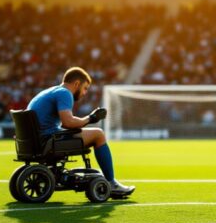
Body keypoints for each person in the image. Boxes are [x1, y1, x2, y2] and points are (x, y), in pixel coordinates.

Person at [26, 67, 135, 195]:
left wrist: (84, 121)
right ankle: (111, 183)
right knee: (98, 134)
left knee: (89, 131)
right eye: (85, 88)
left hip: (36, 141)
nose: (84, 93)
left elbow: (65, 124)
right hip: (48, 141)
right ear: (77, 83)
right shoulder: (65, 93)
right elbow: (68, 122)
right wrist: (91, 118)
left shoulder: (48, 91)